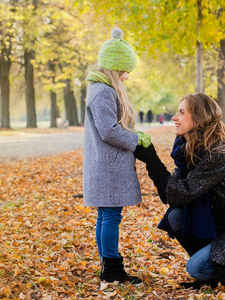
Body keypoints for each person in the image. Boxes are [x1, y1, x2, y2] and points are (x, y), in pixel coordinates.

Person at [134, 93, 225, 297]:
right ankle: (213, 277)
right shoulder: (192, 147)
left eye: (181, 112)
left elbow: (178, 193)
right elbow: (175, 196)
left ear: (199, 118)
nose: (175, 117)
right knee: (176, 216)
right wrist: (153, 163)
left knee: (196, 268)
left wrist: (152, 161)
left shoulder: (215, 153)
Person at [83, 28, 149, 285]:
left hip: (105, 164)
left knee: (106, 215)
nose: (127, 76)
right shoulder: (103, 92)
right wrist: (135, 140)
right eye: (125, 70)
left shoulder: (101, 90)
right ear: (113, 68)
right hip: (108, 166)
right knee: (110, 215)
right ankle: (111, 268)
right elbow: (109, 130)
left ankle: (106, 263)